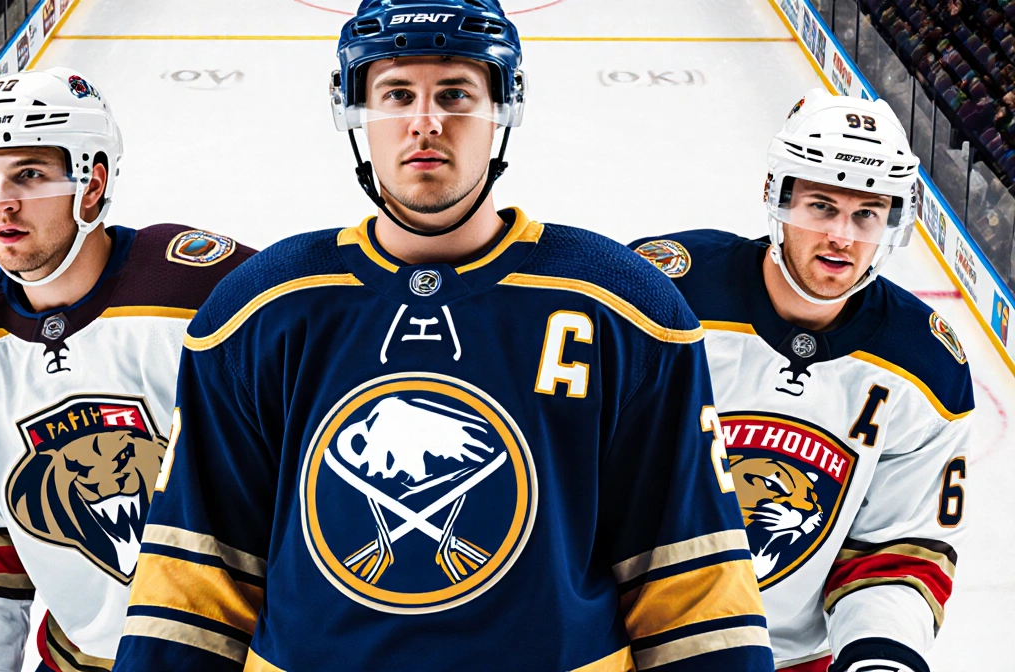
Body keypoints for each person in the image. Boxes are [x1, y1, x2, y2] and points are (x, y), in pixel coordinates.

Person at [113, 2, 772, 670]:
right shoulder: (258, 310)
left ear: (502, 110)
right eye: (397, 94)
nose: (425, 121)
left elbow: (693, 584)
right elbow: (194, 581)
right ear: (355, 111)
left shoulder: (626, 307)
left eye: (455, 94)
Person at [0, 67, 252, 672]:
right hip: (82, 658)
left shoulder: (203, 297)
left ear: (91, 184)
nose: (2, 201)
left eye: (29, 174)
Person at [631, 89, 972, 672]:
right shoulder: (661, 294)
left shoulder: (926, 367)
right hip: (630, 638)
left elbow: (898, 551)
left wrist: (880, 656)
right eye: (822, 206)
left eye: (866, 213)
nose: (843, 236)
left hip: (790, 659)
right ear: (777, 196)